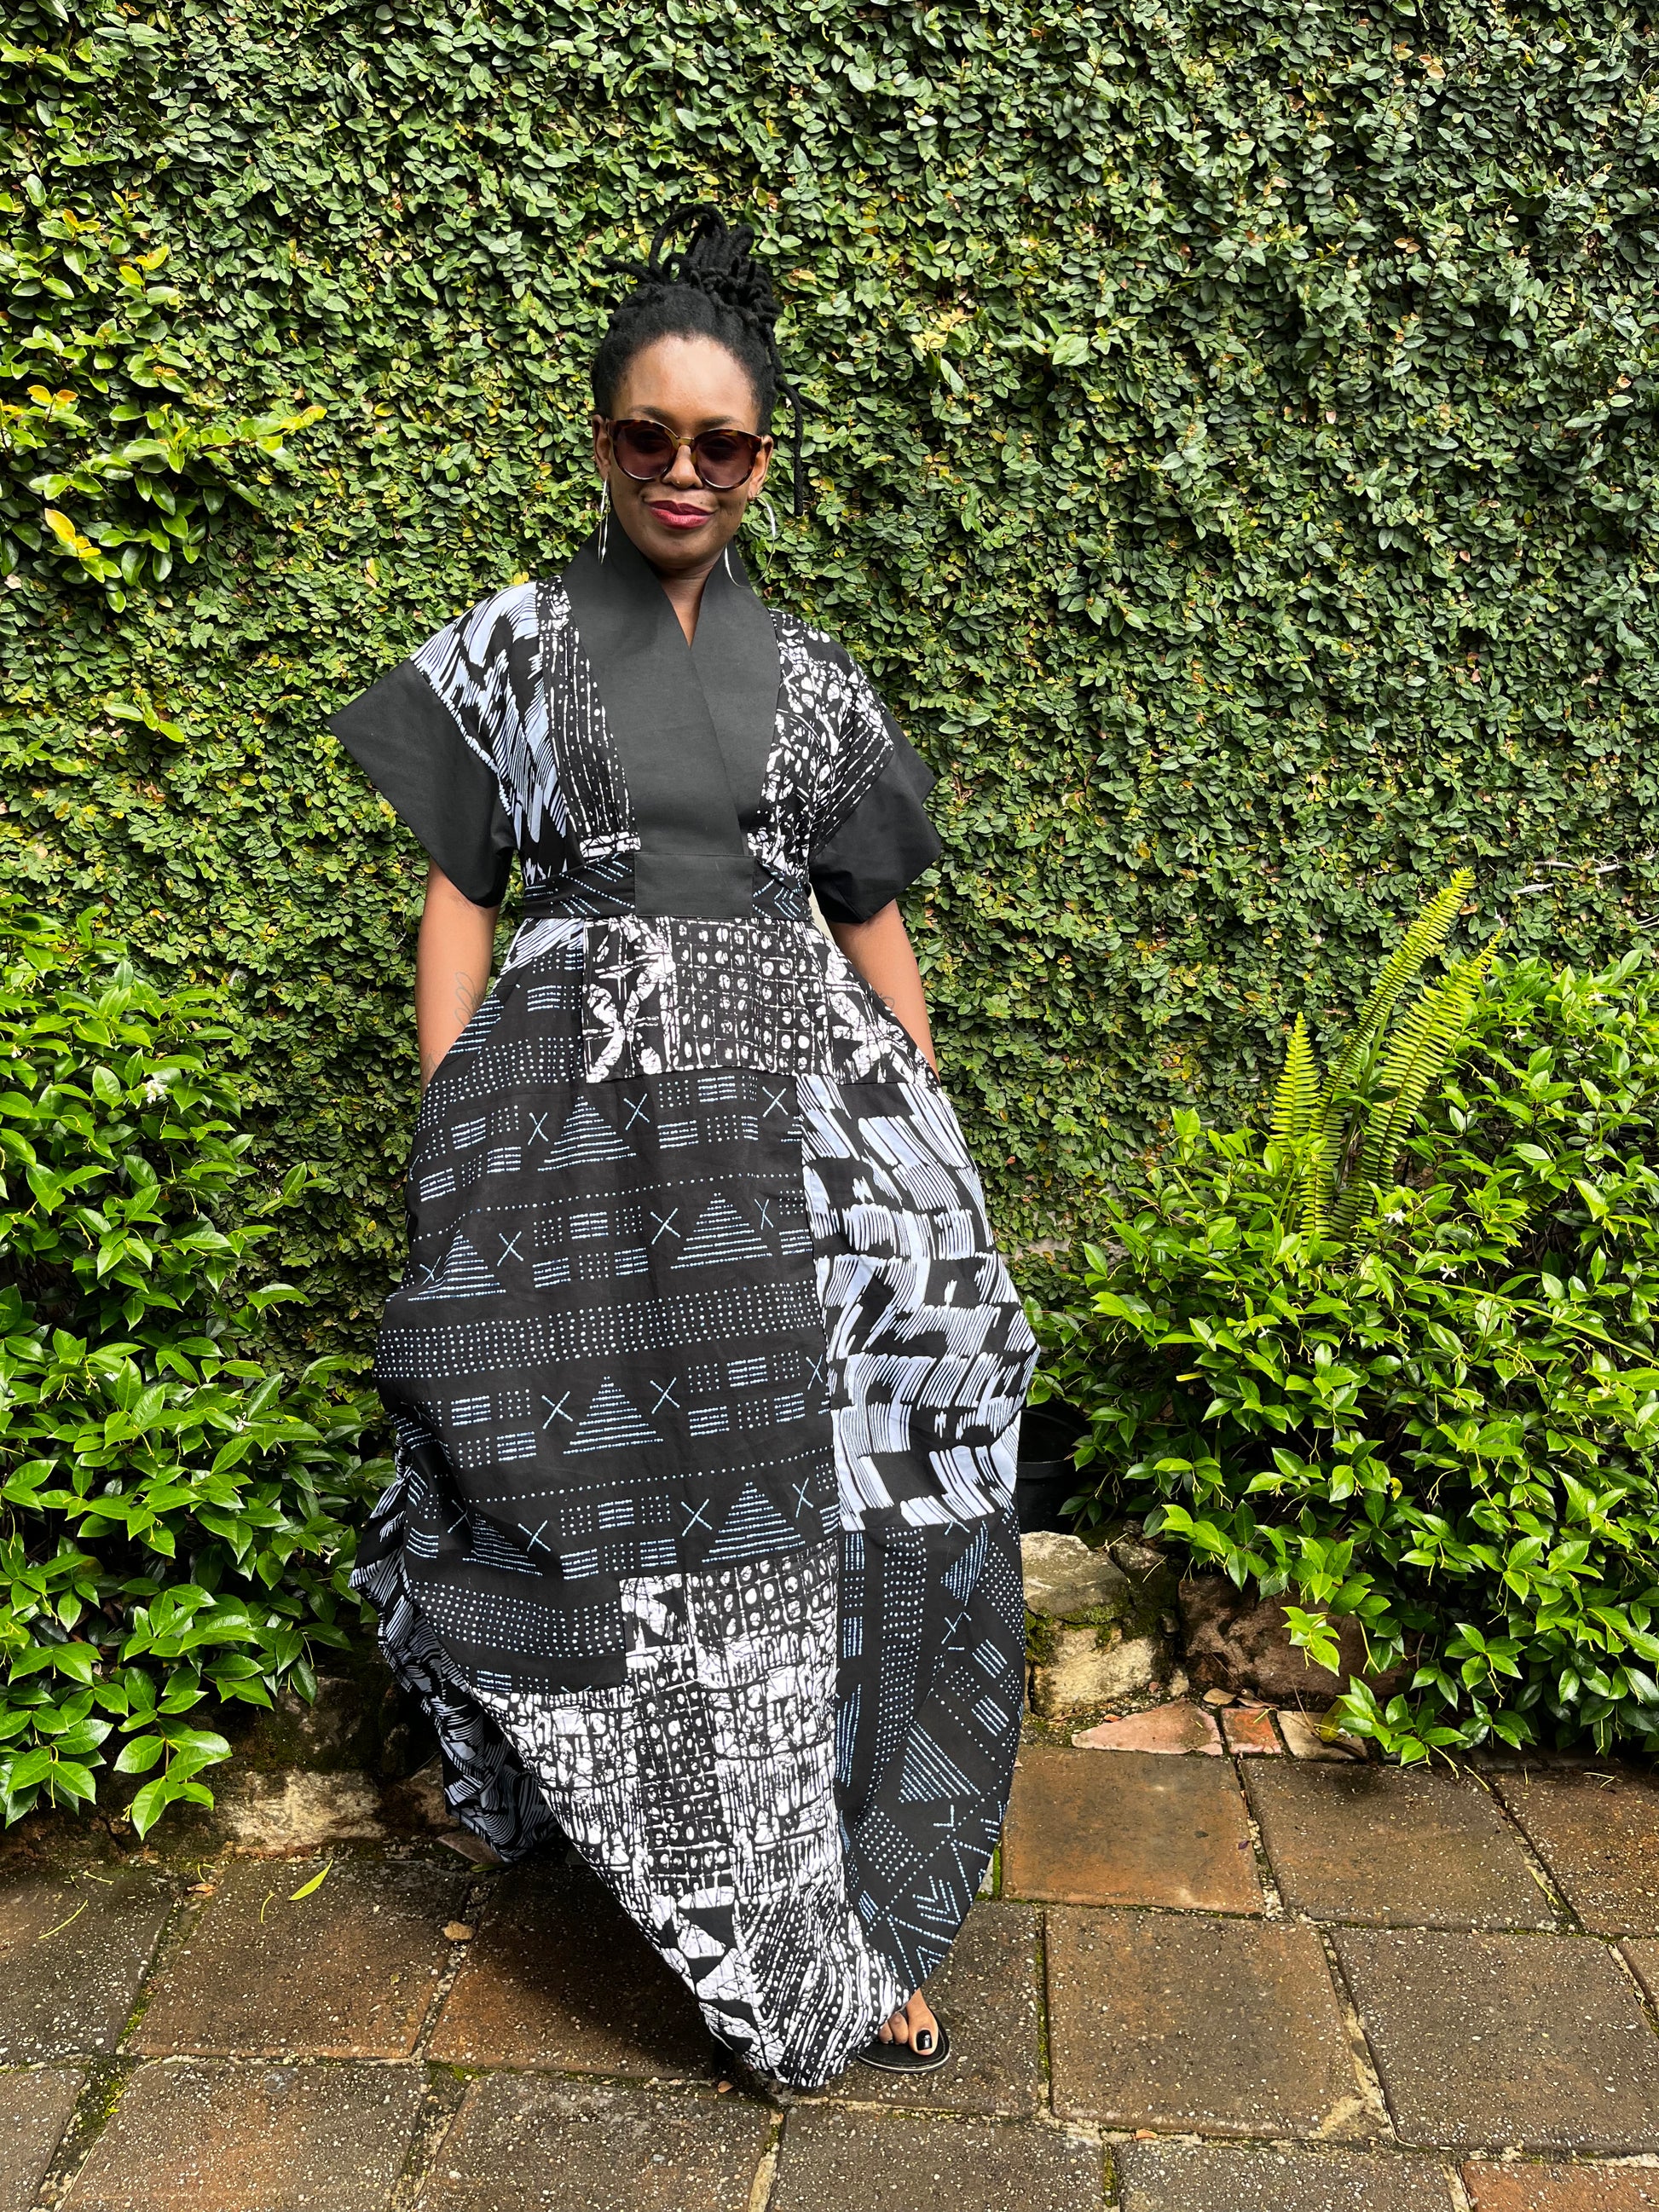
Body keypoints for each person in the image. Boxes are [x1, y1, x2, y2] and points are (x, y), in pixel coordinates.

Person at [328, 207, 1037, 2093]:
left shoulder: (815, 675)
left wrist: (927, 1131)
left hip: (802, 1133)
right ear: (601, 440)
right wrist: (454, 1122)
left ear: (761, 463)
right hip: (584, 1150)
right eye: (648, 435)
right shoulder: (511, 646)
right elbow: (458, 895)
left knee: (883, 1475)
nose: (682, 471)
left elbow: (868, 908)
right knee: (614, 1504)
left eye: (720, 444)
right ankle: (697, 1882)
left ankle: (853, 1918)